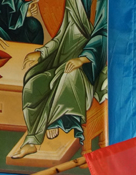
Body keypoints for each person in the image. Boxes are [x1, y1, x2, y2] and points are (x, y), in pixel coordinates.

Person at [10, 0, 107, 159]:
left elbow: (105, 34)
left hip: (91, 67)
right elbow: (63, 35)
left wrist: (83, 59)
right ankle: (38, 134)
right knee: (34, 81)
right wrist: (42, 52)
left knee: (69, 76)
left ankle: (47, 127)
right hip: (65, 61)